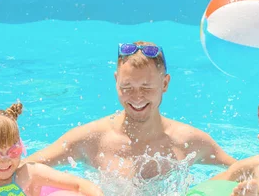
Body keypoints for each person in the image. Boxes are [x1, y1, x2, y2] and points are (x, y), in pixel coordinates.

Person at [26, 41, 235, 184]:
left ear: (165, 84)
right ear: (116, 80)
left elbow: (244, 170)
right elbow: (24, 167)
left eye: (146, 88)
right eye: (127, 87)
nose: (136, 97)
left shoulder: (190, 142)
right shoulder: (90, 139)